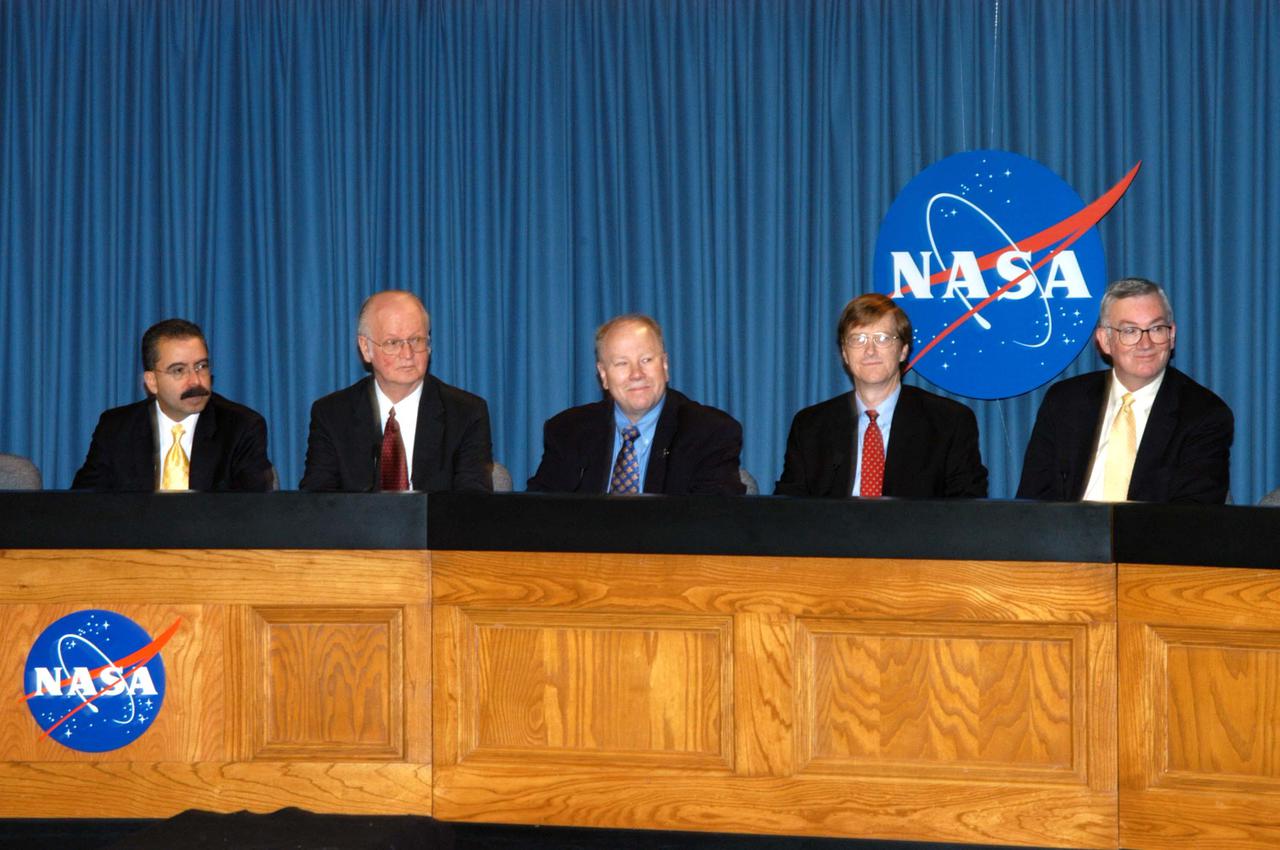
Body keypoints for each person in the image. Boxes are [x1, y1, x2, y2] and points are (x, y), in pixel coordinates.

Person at [1017, 277, 1233, 503]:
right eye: (1130, 331)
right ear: (1105, 340)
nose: (1146, 343)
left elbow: (1192, 516)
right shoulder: (1065, 402)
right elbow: (1033, 502)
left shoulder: (1204, 414)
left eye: (1157, 328)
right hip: (1066, 534)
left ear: (1171, 335)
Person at [775, 293, 987, 498]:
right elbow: (788, 512)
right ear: (844, 354)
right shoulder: (810, 426)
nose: (870, 350)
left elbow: (965, 511)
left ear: (903, 350)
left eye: (883, 338)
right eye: (858, 339)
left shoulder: (949, 422)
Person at [527, 314, 745, 495]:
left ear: (665, 365)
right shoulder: (568, 431)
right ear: (603, 375)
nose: (636, 374)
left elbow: (714, 525)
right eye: (622, 363)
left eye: (646, 360)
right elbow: (539, 516)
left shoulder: (710, 432)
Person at [300, 290, 492, 492]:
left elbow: (472, 505)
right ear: (366, 348)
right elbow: (317, 504)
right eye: (393, 343)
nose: (408, 354)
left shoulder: (466, 413)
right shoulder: (332, 415)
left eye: (416, 340)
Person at [72, 319, 273, 491]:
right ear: (151, 382)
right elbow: (86, 507)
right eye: (178, 370)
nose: (196, 381)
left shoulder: (241, 428)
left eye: (201, 366)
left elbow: (250, 514)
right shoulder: (116, 428)